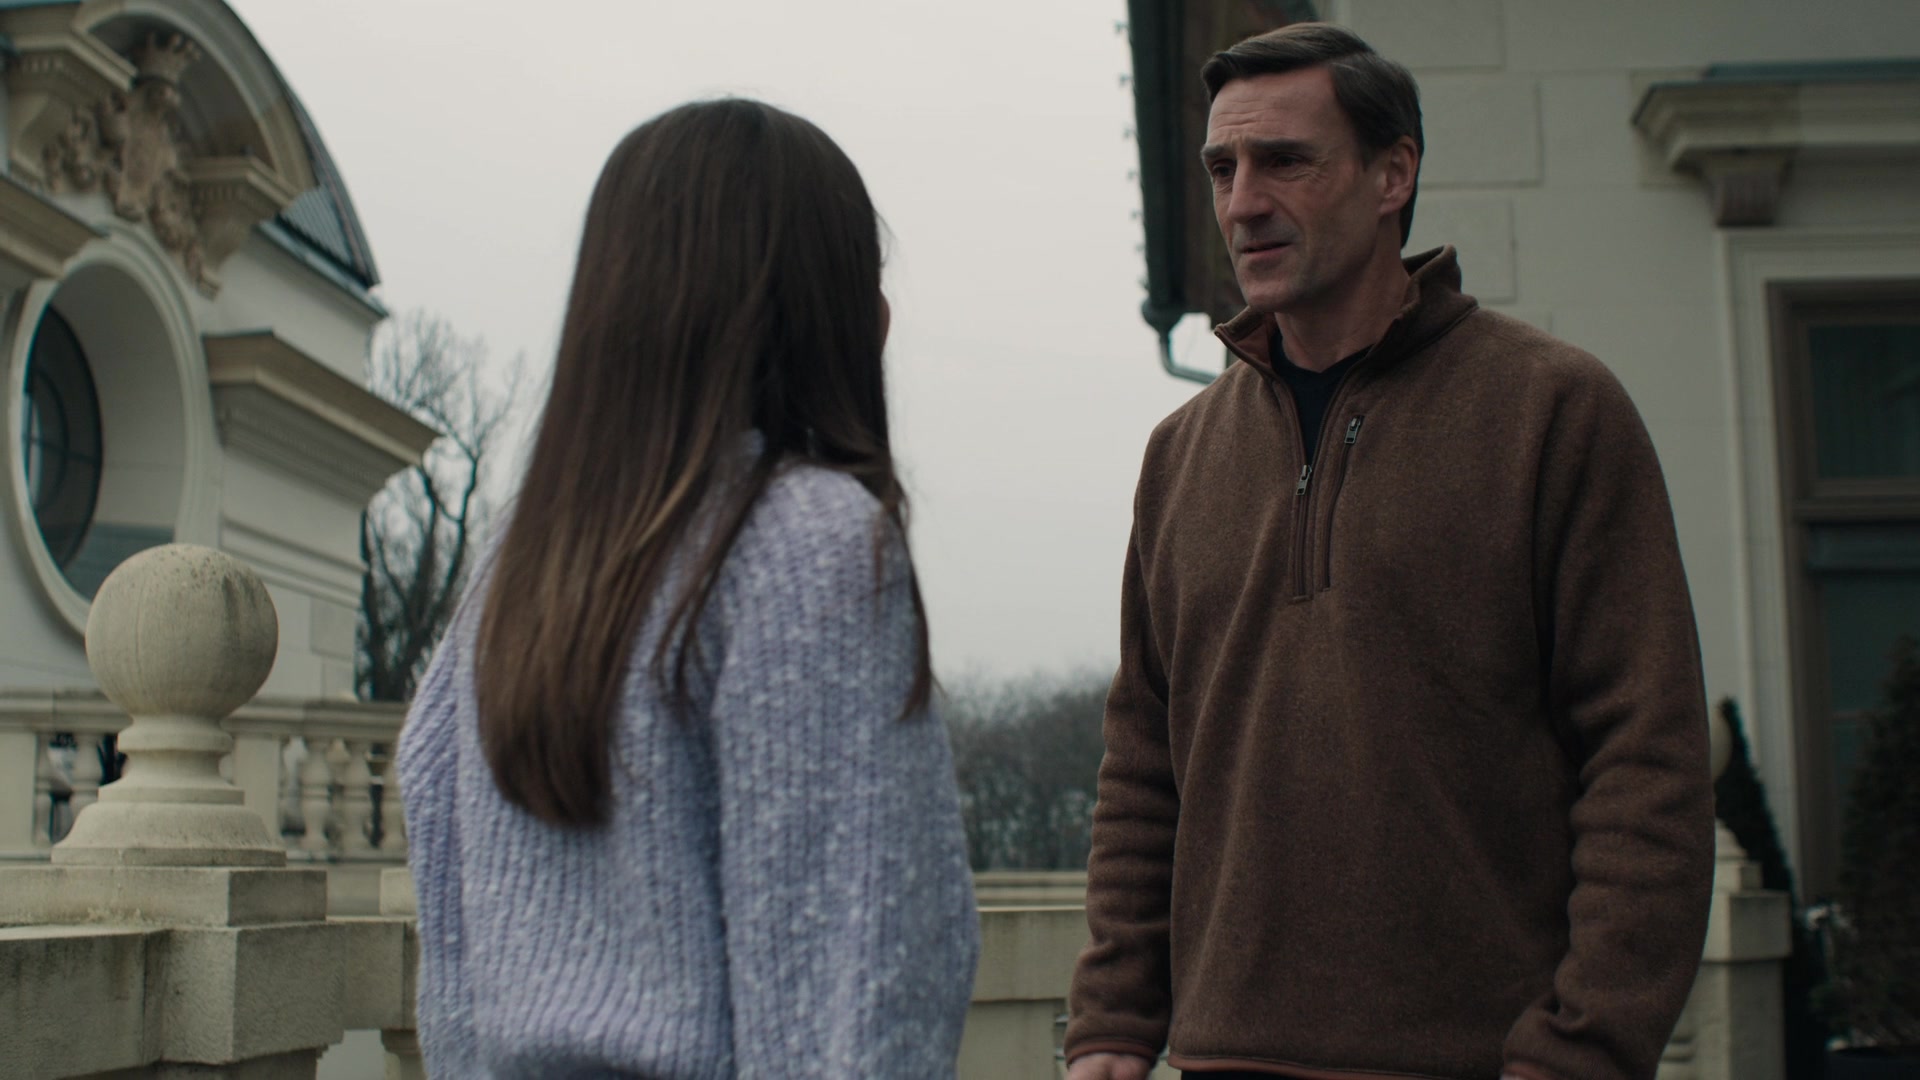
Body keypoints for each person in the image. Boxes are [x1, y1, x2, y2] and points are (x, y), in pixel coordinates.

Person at [1066, 23, 1714, 1080]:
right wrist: (1111, 1023)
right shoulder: (1181, 456)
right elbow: (1144, 765)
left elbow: (1647, 763)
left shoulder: (1552, 410)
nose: (1243, 203)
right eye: (1223, 169)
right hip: (1224, 1057)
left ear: (1392, 174)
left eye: (1285, 161)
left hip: (1485, 1059)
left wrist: (1585, 1047)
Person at [397, 98, 980, 1079]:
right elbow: (852, 990)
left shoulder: (517, 557)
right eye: (861, 274)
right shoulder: (808, 543)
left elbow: (440, 876)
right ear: (820, 306)